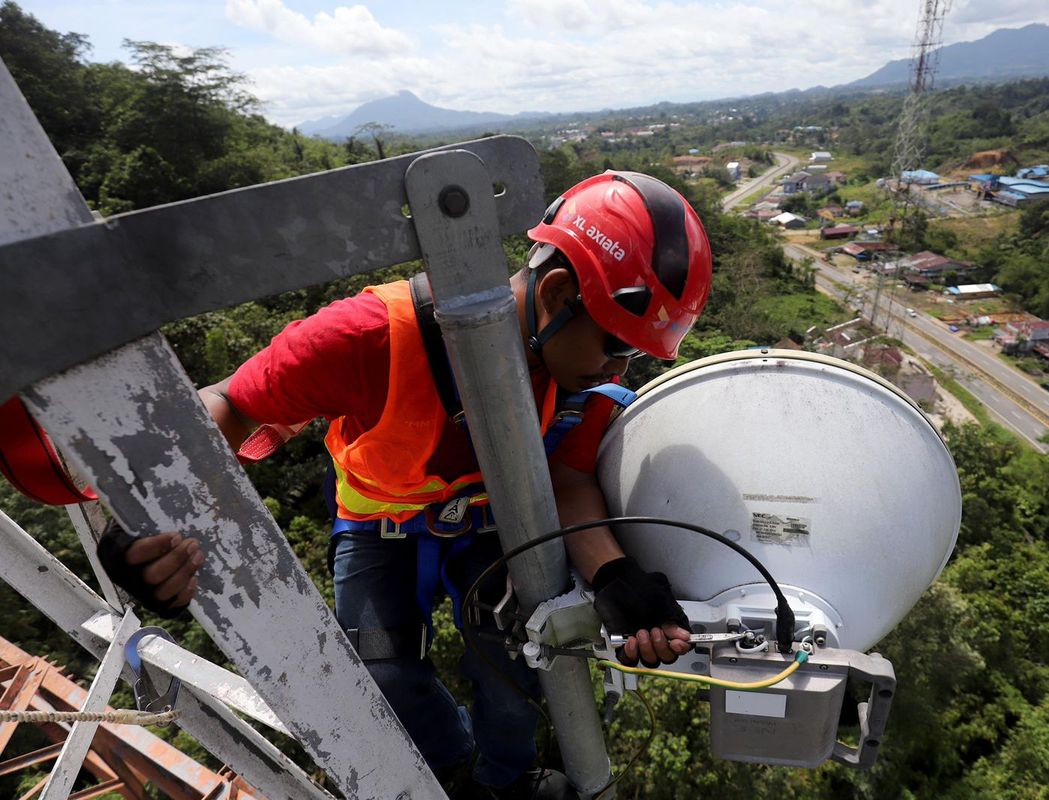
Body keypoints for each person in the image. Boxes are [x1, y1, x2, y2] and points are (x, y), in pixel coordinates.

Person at [96, 171, 713, 799]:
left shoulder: (580, 391)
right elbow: (232, 402)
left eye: (632, 357)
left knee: (516, 650)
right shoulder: (367, 339)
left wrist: (616, 580)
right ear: (556, 295)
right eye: (615, 346)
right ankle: (449, 772)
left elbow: (568, 481)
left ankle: (506, 781)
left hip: (492, 527)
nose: (615, 368)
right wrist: (145, 512)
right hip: (378, 527)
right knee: (381, 666)